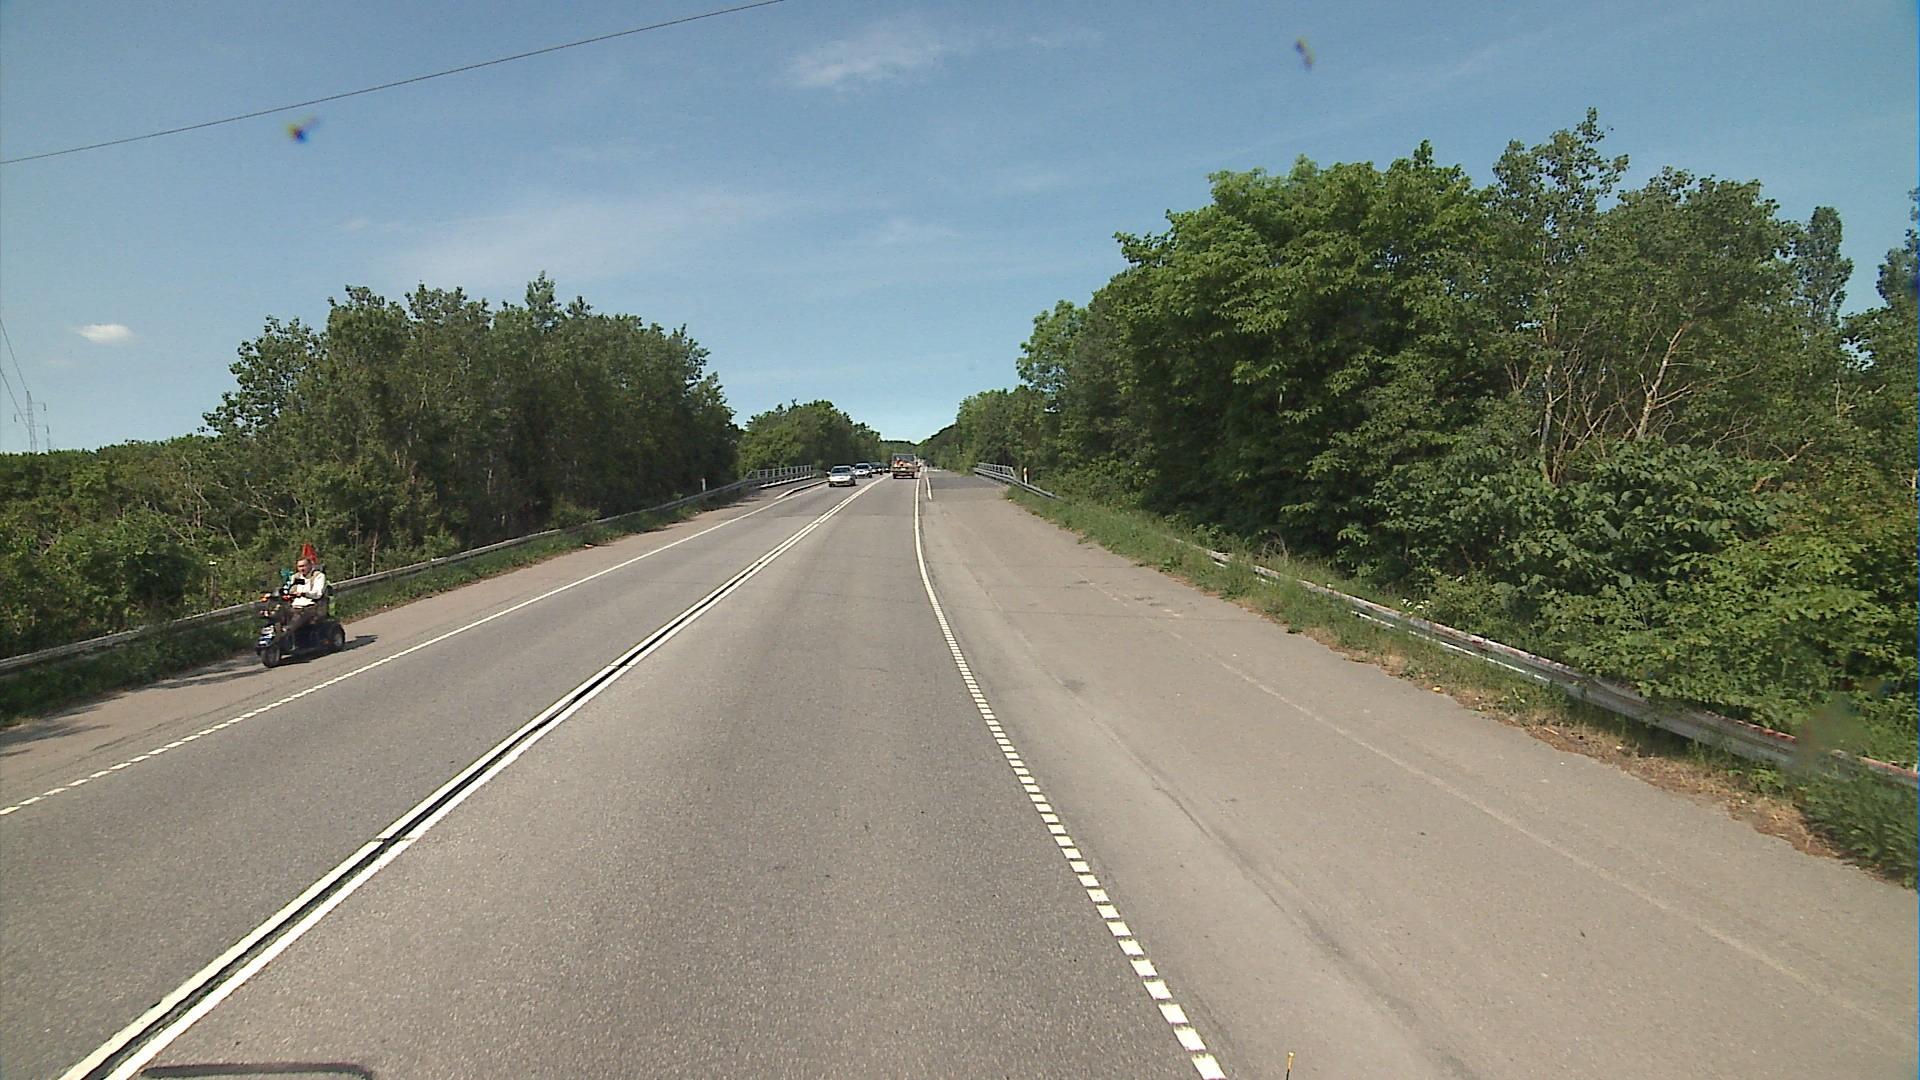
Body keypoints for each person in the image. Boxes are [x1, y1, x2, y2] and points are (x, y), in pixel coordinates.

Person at [283, 554, 329, 638]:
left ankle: (286, 634)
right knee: (278, 614)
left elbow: (317, 594)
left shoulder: (318, 576)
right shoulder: (296, 577)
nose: (302, 569)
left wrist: (303, 593)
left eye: (304, 566)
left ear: (310, 565)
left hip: (312, 606)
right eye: (299, 566)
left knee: (296, 618)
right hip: (294, 606)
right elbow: (288, 589)